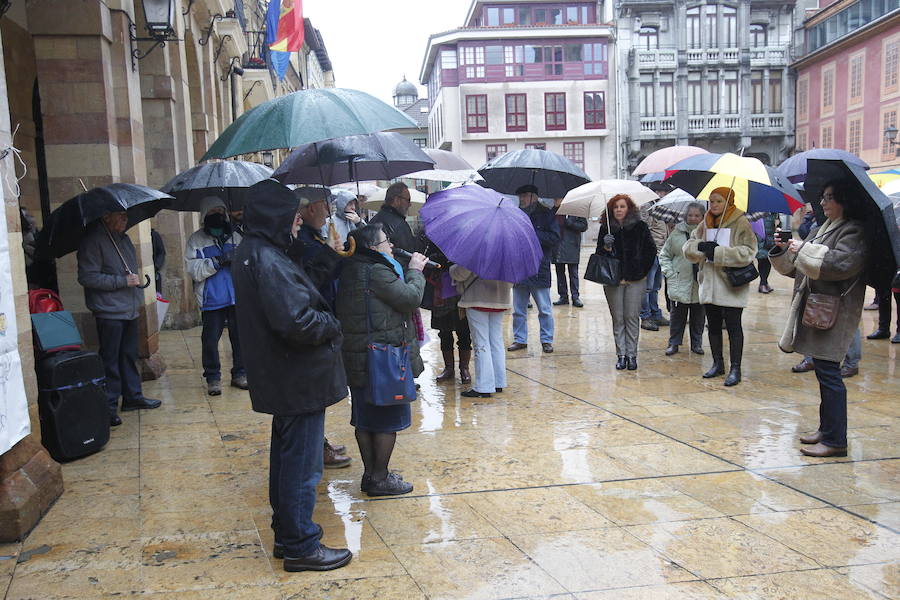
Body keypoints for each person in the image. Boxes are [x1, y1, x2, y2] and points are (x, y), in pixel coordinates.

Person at [231, 179, 351, 572]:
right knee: (301, 464)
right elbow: (297, 321)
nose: (298, 222)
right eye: (292, 215)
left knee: (288, 458)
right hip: (296, 376)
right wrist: (332, 322)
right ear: (275, 217)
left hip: (283, 375)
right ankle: (301, 545)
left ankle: (288, 533)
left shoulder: (256, 251)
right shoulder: (265, 257)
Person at [770, 181, 868, 458]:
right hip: (817, 309)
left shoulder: (853, 231)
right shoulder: (821, 229)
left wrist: (803, 250)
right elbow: (800, 268)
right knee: (824, 374)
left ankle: (837, 440)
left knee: (830, 375)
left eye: (829, 198)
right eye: (822, 198)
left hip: (835, 311)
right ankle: (826, 429)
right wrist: (785, 250)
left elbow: (839, 265)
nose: (823, 203)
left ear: (844, 201)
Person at [336, 224, 427, 496]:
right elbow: (410, 298)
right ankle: (380, 477)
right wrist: (415, 271)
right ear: (373, 248)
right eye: (386, 241)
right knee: (387, 419)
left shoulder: (352, 268)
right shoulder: (376, 271)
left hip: (358, 356)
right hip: (383, 358)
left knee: (364, 418)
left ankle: (370, 475)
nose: (391, 245)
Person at [286, 187, 353, 469]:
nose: (327, 212)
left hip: (323, 320)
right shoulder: (299, 242)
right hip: (312, 323)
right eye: (323, 207)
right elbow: (309, 281)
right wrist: (328, 253)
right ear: (309, 208)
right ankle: (316, 446)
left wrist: (337, 252)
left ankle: (318, 441)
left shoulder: (314, 235)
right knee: (312, 392)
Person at [77, 211, 161, 426]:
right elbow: (87, 276)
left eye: (126, 216)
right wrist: (121, 281)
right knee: (111, 360)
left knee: (129, 355)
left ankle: (133, 396)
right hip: (109, 311)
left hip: (129, 308)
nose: (125, 220)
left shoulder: (122, 239)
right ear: (106, 217)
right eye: (121, 217)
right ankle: (110, 405)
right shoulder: (93, 241)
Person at [684, 187, 757, 386]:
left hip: (731, 284)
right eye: (711, 201)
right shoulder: (704, 222)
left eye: (718, 201)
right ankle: (718, 363)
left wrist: (719, 252)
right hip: (709, 283)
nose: (714, 205)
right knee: (713, 325)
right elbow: (689, 245)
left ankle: (736, 368)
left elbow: (749, 251)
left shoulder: (741, 222)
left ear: (728, 202)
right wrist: (700, 248)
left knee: (733, 327)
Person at [185, 197, 247, 396]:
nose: (218, 216)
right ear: (204, 216)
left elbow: (249, 262)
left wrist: (238, 261)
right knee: (210, 340)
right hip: (212, 300)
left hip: (236, 296)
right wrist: (217, 261)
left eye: (221, 212)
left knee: (240, 338)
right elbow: (193, 270)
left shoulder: (236, 236)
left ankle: (240, 373)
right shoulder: (196, 240)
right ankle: (213, 377)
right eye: (213, 213)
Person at [596, 194, 657, 370]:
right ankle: (621, 355)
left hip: (635, 280)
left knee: (631, 317)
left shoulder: (640, 227)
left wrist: (642, 271)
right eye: (615, 207)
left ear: (628, 208)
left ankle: (632, 355)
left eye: (622, 206)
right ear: (611, 210)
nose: (619, 210)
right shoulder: (606, 229)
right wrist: (606, 246)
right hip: (613, 281)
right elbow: (599, 258)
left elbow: (650, 251)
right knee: (618, 318)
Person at [508, 185, 560, 354]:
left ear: (534, 197)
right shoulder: (515, 214)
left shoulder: (547, 214)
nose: (522, 199)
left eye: (525, 196)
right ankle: (520, 339)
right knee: (518, 309)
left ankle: (546, 340)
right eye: (520, 196)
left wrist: (533, 234)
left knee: (544, 308)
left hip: (539, 267)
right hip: (520, 267)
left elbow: (554, 238)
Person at [450, 264, 512, 398]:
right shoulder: (506, 249)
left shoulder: (476, 246)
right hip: (501, 298)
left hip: (477, 298)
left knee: (481, 343)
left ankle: (484, 386)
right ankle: (498, 381)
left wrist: (452, 268)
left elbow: (460, 273)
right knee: (496, 341)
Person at [421, 235, 472, 384]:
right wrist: (439, 259)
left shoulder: (464, 238)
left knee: (464, 332)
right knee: (444, 332)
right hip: (441, 292)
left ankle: (464, 368)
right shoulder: (432, 237)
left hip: (460, 290)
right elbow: (427, 260)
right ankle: (449, 368)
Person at [659, 202, 706, 356]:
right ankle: (674, 343)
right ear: (685, 216)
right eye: (690, 215)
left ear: (702, 217)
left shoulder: (707, 234)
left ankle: (696, 343)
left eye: (697, 215)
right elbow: (665, 255)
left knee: (698, 316)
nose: (693, 218)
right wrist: (670, 273)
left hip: (700, 282)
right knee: (677, 316)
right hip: (679, 281)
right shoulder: (677, 233)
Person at [639, 183, 673, 331]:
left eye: (664, 191)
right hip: (650, 253)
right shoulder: (647, 207)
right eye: (659, 191)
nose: (662, 194)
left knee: (655, 287)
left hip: (662, 252)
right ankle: (645, 316)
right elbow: (643, 228)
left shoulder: (664, 207)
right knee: (646, 287)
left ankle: (655, 314)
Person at [552, 198, 588, 307]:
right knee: (560, 272)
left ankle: (575, 296)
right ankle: (563, 296)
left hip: (572, 245)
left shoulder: (576, 210)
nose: (557, 201)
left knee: (573, 273)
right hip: (558, 246)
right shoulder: (554, 211)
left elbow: (584, 226)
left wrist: (570, 223)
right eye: (556, 199)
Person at [368, 182, 420, 258]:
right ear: (397, 200)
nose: (410, 204)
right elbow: (408, 255)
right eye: (408, 200)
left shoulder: (374, 220)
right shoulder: (399, 224)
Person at [756, 213, 778, 294]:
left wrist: (778, 223)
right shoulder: (757, 213)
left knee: (768, 262)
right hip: (760, 240)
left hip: (769, 240)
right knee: (762, 261)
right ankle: (762, 284)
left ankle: (765, 283)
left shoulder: (773, 213)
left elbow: (776, 225)